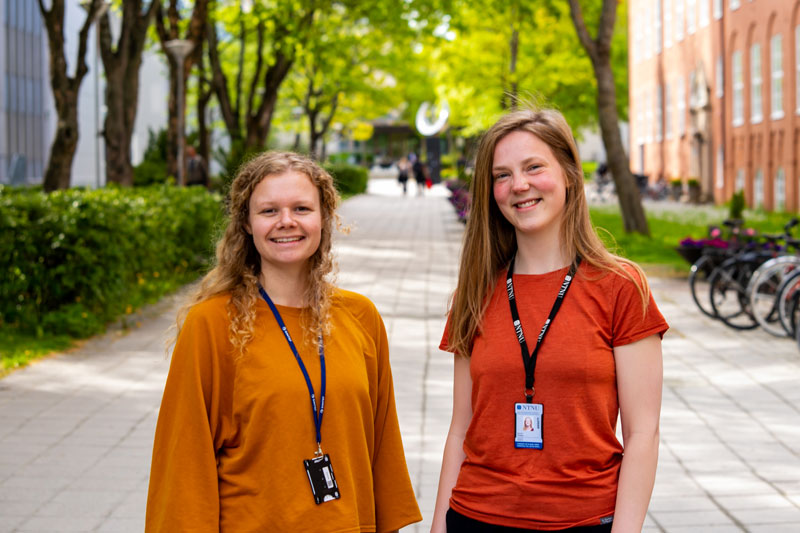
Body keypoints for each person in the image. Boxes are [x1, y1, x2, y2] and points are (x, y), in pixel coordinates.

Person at [146, 151, 422, 532]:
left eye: (301, 208)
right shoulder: (211, 324)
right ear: (246, 222)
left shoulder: (361, 317)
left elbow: (383, 446)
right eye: (269, 211)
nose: (287, 222)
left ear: (324, 218)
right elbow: (183, 463)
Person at [431, 109, 668, 533]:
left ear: (570, 175)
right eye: (501, 175)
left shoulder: (621, 287)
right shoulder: (474, 292)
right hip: (475, 516)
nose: (518, 185)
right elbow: (459, 430)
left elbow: (643, 434)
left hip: (583, 519)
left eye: (534, 167)